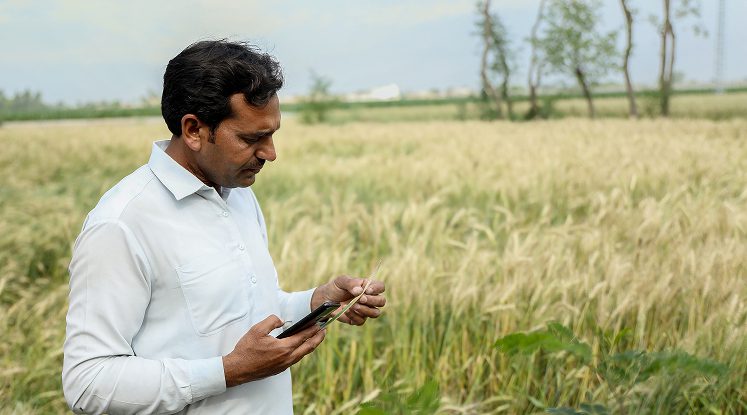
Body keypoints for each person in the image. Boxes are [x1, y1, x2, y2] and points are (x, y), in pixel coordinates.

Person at [62, 39, 386, 414]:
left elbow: (246, 312)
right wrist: (228, 371)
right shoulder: (121, 224)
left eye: (273, 134)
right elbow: (87, 383)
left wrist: (315, 302)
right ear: (194, 130)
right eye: (251, 138)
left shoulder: (238, 194)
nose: (270, 153)